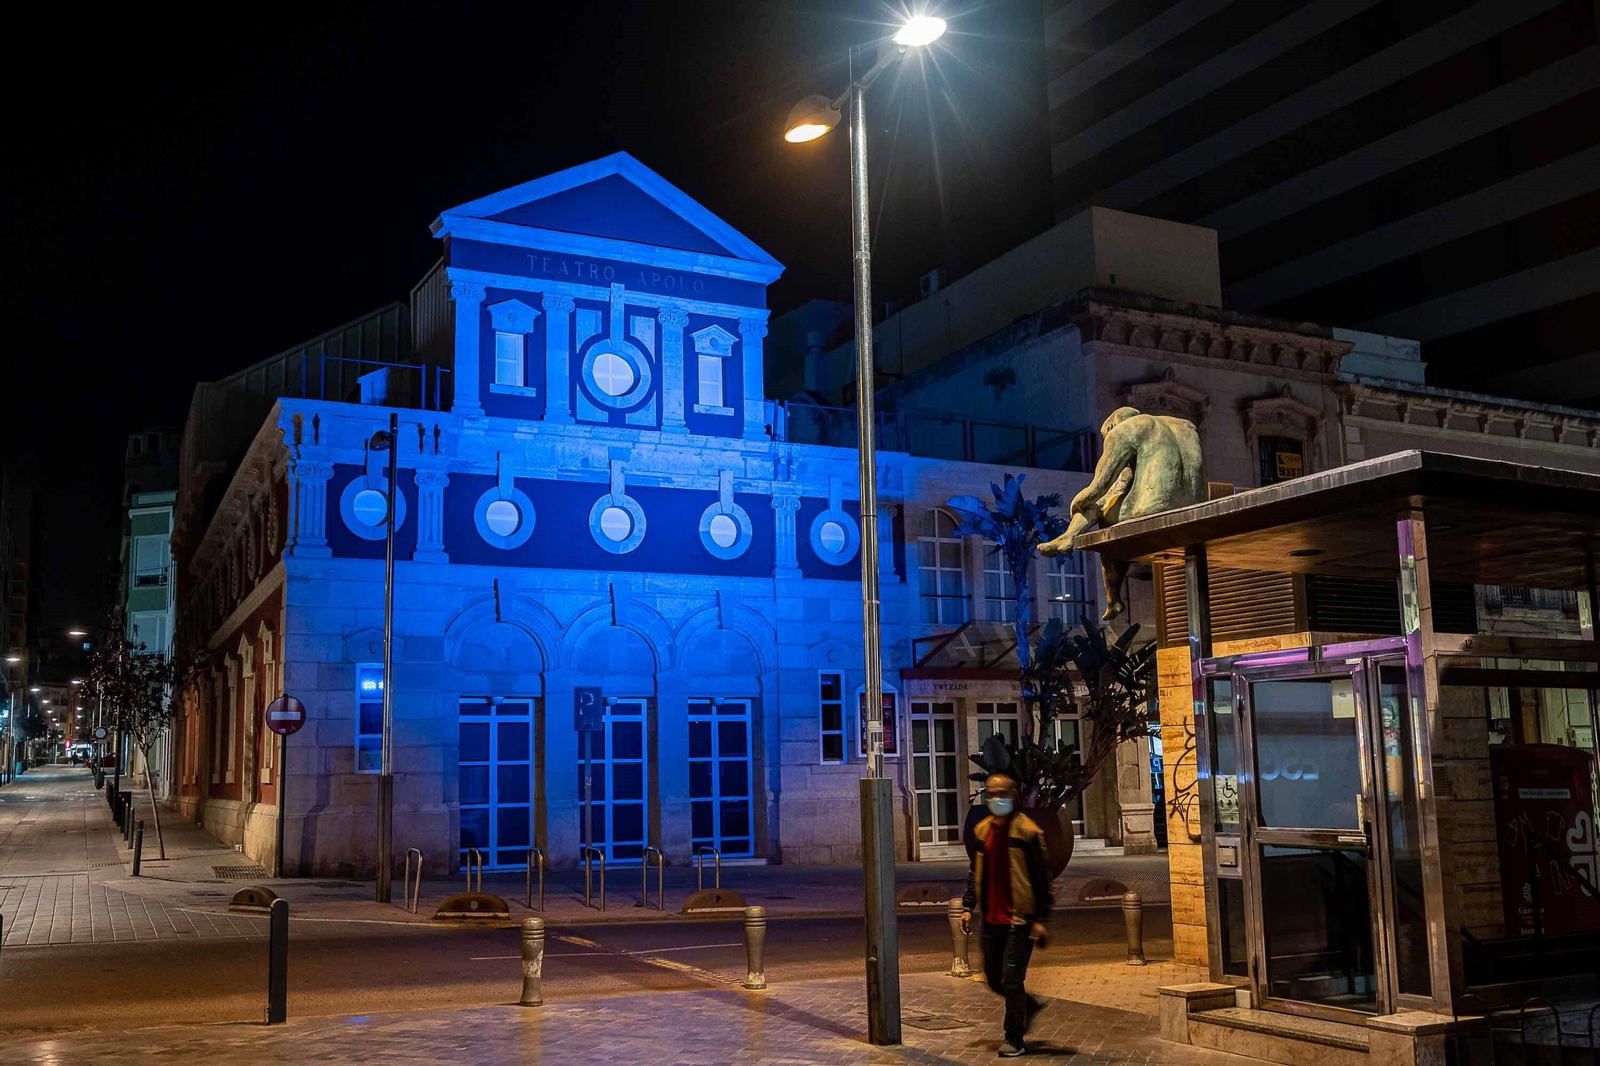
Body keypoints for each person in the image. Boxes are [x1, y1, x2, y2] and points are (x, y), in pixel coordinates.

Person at [961, 772, 1053, 1057]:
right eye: (991, 794)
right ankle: (1028, 1005)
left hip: (1019, 919)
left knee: (1012, 979)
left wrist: (1041, 918)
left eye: (1002, 793)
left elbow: (1041, 878)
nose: (996, 799)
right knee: (993, 978)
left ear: (1014, 795)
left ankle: (1014, 1039)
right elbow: (975, 871)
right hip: (991, 918)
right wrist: (967, 907)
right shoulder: (982, 830)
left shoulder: (1028, 832)